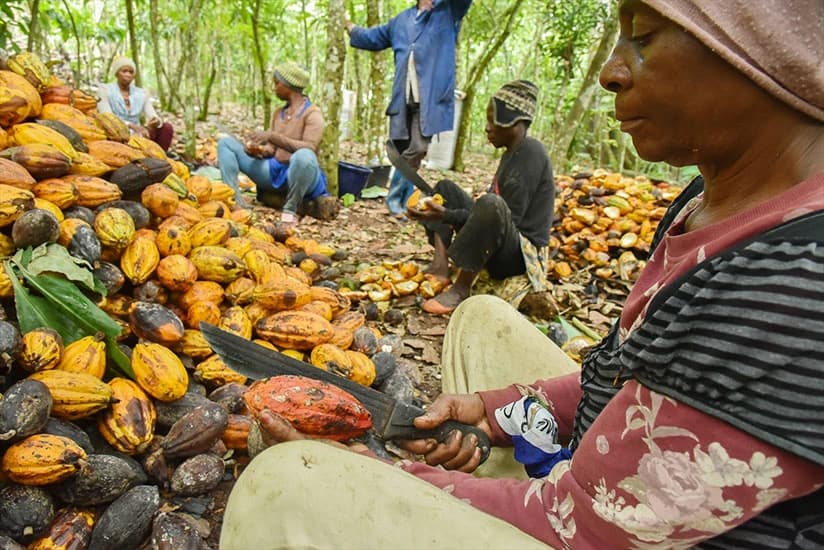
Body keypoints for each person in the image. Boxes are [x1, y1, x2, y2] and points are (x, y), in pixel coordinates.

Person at [220, 0, 824, 547]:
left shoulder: (791, 285)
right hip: (608, 478)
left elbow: (583, 526)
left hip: (595, 529)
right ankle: (516, 467)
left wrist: (380, 475)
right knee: (481, 319)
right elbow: (614, 374)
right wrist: (491, 412)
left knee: (287, 487)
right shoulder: (708, 198)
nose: (611, 71)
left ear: (767, 60)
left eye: (643, 35)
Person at [408, 80, 554, 315]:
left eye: (492, 119)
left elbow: (503, 218)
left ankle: (461, 288)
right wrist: (444, 212)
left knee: (490, 204)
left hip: (519, 256)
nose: (487, 128)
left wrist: (446, 215)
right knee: (445, 189)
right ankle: (440, 264)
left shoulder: (530, 152)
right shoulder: (511, 153)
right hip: (502, 236)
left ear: (513, 121)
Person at [345, 0, 472, 218]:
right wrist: (349, 27)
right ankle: (405, 202)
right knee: (404, 153)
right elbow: (373, 37)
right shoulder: (401, 20)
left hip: (431, 100)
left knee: (418, 148)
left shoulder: (448, 11)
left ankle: (394, 201)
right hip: (403, 99)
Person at [217, 61, 335, 221]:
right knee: (226, 144)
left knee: (304, 156)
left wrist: (272, 136)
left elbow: (310, 147)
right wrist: (258, 151)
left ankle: (290, 209)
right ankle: (233, 202)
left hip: (303, 176)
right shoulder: (279, 113)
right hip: (274, 172)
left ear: (288, 85)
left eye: (277, 83)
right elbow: (272, 150)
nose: (274, 88)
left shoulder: (313, 114)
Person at [97, 57, 175, 151]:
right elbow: (106, 116)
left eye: (131, 72)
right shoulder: (105, 90)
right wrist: (131, 126)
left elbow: (151, 114)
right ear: (117, 73)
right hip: (115, 132)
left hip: (139, 133)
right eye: (124, 71)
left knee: (166, 128)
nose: (128, 74)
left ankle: (160, 158)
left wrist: (156, 121)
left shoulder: (141, 93)